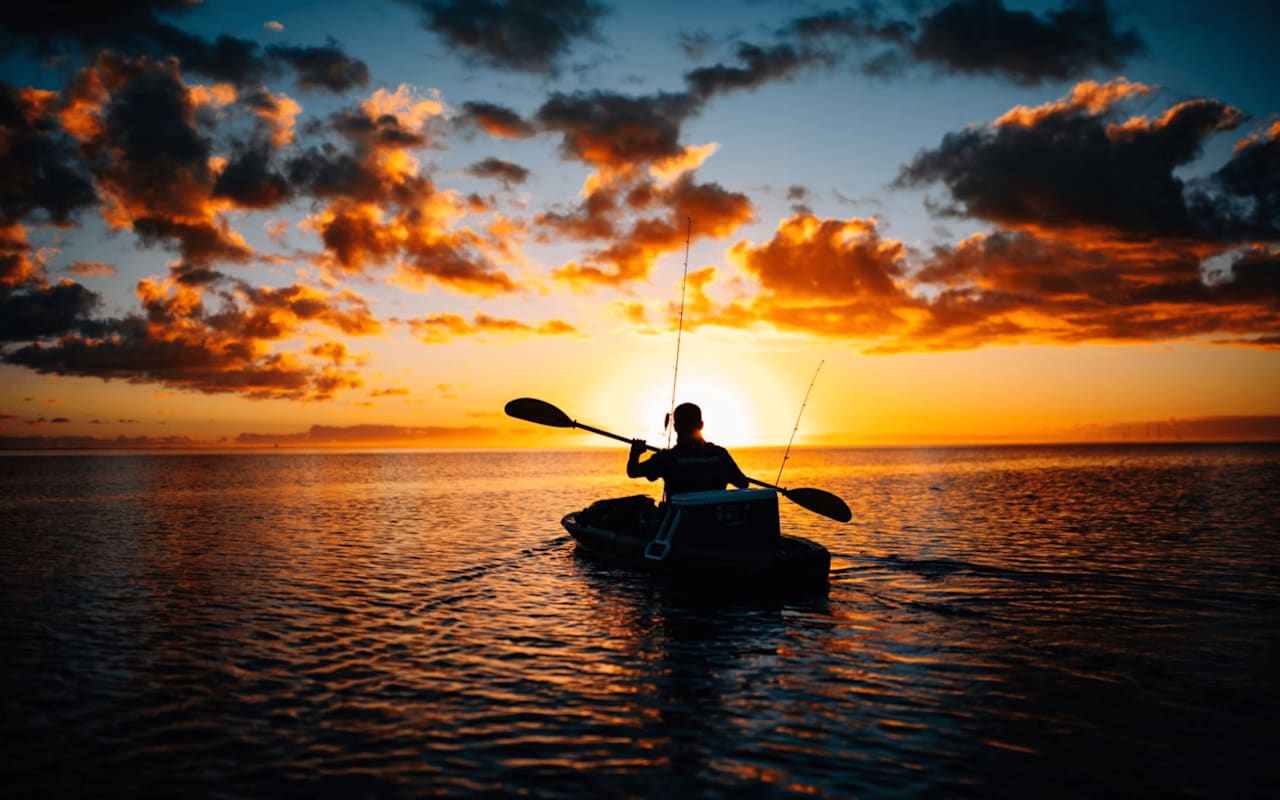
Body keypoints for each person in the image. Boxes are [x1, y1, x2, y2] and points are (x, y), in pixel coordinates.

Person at [627, 402, 750, 497]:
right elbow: (743, 483)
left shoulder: (667, 458)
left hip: (679, 526)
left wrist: (635, 453)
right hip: (714, 524)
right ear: (701, 425)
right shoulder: (720, 454)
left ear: (675, 427)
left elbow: (633, 472)